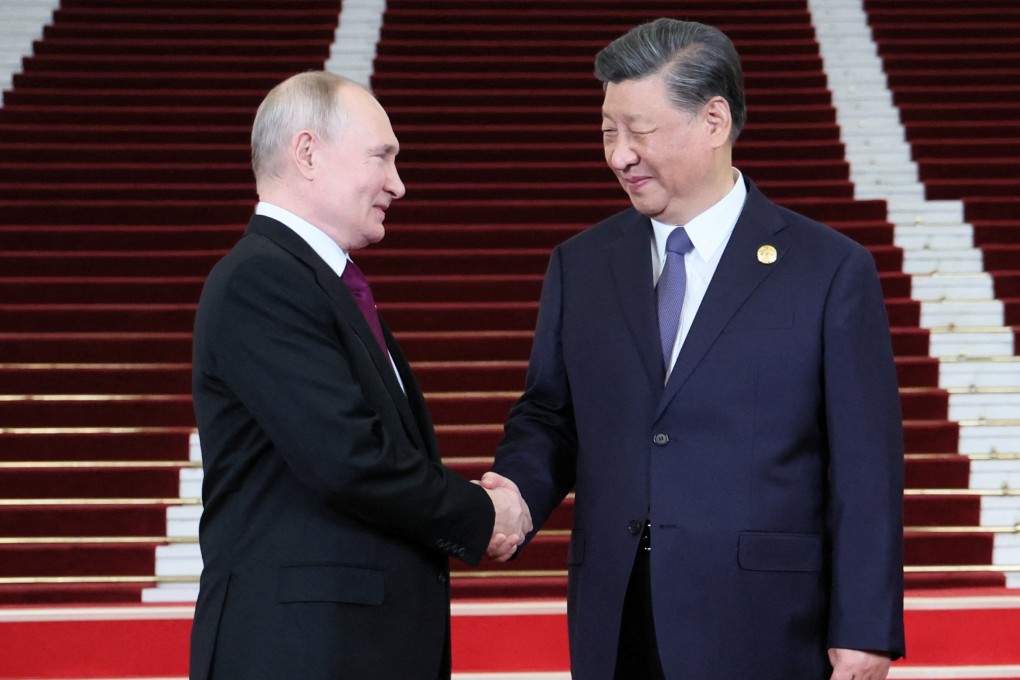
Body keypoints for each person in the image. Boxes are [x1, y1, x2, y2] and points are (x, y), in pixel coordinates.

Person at [483, 18, 905, 680]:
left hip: (768, 620)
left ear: (714, 121)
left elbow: (865, 466)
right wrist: (516, 493)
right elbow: (550, 416)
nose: (619, 154)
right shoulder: (581, 264)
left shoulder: (828, 270)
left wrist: (866, 627)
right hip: (618, 616)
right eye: (606, 131)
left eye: (638, 131)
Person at [189, 71, 530, 680]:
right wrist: (482, 515)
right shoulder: (262, 279)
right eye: (382, 157)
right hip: (301, 652)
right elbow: (347, 458)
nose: (397, 185)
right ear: (308, 153)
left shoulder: (314, 282)